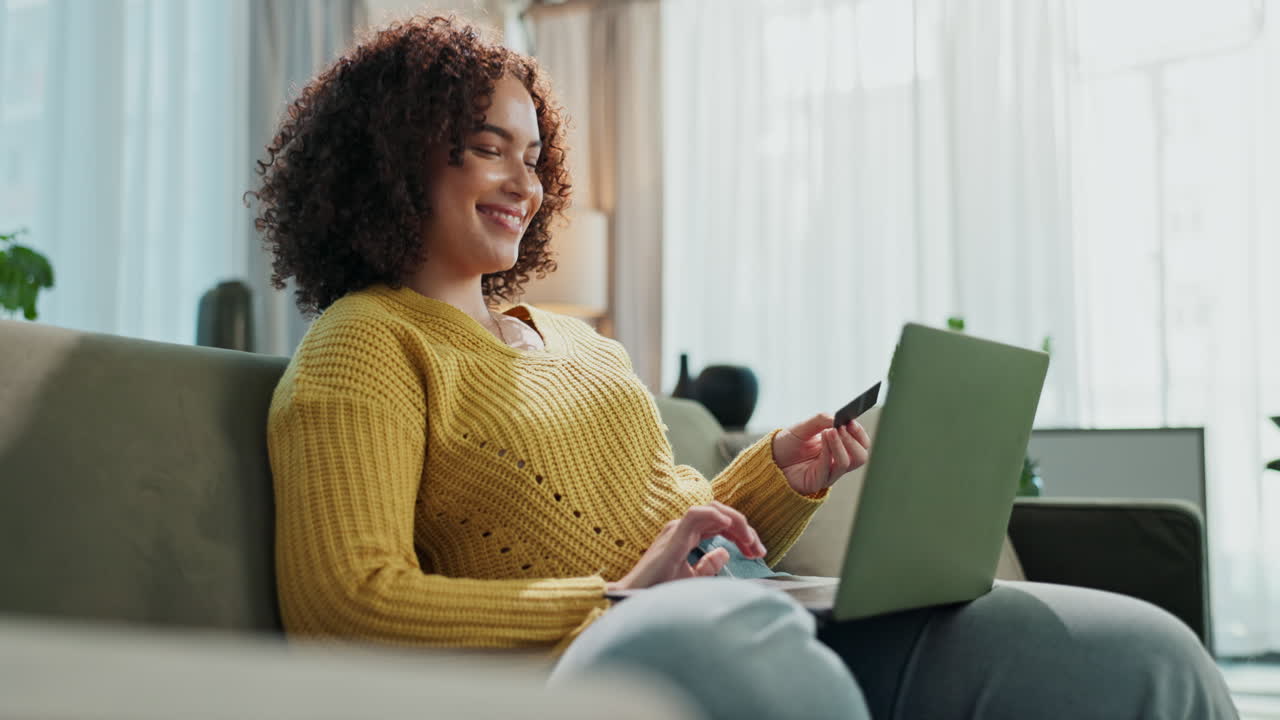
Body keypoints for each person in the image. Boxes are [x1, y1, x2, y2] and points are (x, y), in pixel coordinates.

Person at [252, 16, 1237, 720]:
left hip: (712, 609)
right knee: (759, 655)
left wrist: (780, 476)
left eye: (537, 156)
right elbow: (346, 604)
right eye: (488, 149)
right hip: (595, 655)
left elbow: (679, 527)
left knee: (1135, 654)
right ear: (394, 159)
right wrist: (618, 596)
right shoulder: (365, 345)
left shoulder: (581, 344)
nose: (529, 182)